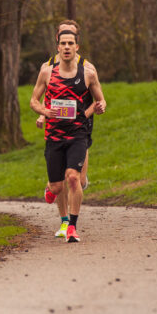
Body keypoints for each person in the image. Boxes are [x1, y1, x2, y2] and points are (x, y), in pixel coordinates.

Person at [30, 24, 106, 242]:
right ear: (57, 42)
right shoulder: (47, 69)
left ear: (76, 44)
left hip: (79, 132)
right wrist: (44, 114)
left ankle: (71, 226)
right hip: (54, 134)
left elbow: (100, 100)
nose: (66, 46)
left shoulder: (88, 69)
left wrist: (91, 111)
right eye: (62, 42)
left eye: (70, 42)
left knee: (75, 180)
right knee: (58, 184)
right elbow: (41, 100)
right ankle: (54, 198)